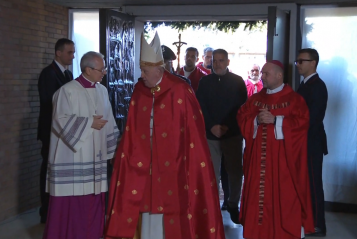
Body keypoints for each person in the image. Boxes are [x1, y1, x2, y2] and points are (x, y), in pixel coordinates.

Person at [105, 32, 224, 239]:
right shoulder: (139, 91)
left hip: (175, 163)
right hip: (144, 162)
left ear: (159, 69)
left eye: (145, 70)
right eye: (141, 70)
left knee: (172, 206)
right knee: (145, 205)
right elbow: (131, 131)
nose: (141, 75)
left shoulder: (180, 90)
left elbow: (193, 134)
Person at [43, 51, 120, 239]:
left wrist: (113, 151)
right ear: (87, 69)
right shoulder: (67, 91)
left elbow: (109, 119)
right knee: (71, 207)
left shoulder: (102, 90)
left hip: (96, 157)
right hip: (73, 157)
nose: (104, 73)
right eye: (101, 70)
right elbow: (59, 120)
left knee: (94, 203)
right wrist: (88, 123)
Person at [237, 60, 315, 239]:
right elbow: (242, 116)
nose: (262, 77)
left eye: (266, 74)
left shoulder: (295, 100)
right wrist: (255, 120)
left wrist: (277, 121)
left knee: (285, 196)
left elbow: (303, 123)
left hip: (284, 161)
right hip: (259, 162)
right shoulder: (256, 100)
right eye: (262, 73)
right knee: (259, 197)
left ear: (279, 76)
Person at [196, 49, 247, 224]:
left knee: (234, 171)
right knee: (211, 172)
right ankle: (211, 206)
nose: (217, 64)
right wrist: (212, 125)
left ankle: (233, 204)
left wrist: (227, 126)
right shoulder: (204, 82)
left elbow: (241, 108)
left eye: (221, 60)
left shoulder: (238, 81)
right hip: (210, 134)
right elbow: (200, 106)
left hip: (232, 133)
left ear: (227, 62)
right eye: (214, 61)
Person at [37, 38, 75, 223]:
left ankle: (58, 208)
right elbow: (49, 102)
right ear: (58, 53)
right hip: (51, 130)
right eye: (69, 52)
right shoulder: (48, 74)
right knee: (48, 168)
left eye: (74, 52)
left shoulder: (68, 75)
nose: (73, 56)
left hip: (63, 129)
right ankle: (46, 211)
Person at [296, 48, 329, 237]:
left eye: (302, 61)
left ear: (313, 63)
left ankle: (318, 224)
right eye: (297, 61)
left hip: (312, 142)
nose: (298, 64)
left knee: (314, 183)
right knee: (307, 182)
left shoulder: (317, 85)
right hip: (304, 142)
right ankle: (308, 219)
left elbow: (313, 117)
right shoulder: (305, 84)